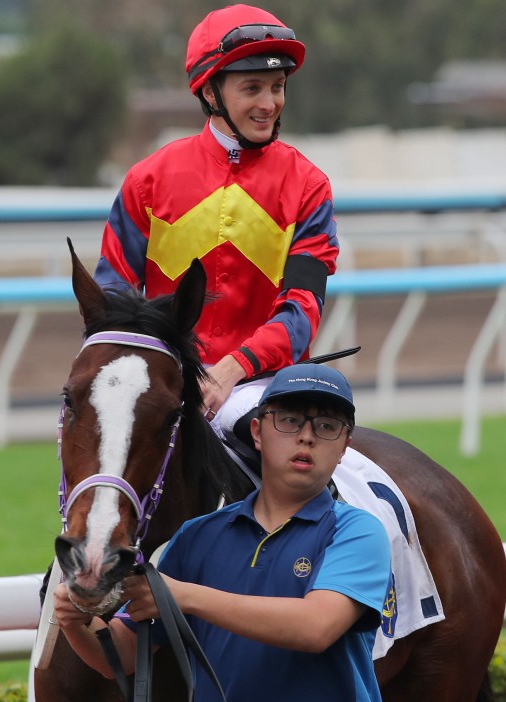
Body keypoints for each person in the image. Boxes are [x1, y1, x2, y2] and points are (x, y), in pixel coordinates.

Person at [53, 364, 391, 702]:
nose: (306, 436)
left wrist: (184, 596)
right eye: (289, 420)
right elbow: (121, 654)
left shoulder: (358, 531)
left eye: (326, 426)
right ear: (257, 433)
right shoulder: (196, 537)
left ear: (343, 448)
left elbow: (317, 627)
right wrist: (77, 622)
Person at [93, 3, 339, 432]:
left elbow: (303, 306)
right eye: (252, 88)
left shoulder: (308, 186)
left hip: (260, 385)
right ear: (211, 93)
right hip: (158, 381)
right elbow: (110, 298)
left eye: (277, 87)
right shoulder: (146, 181)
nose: (270, 103)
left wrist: (235, 367)